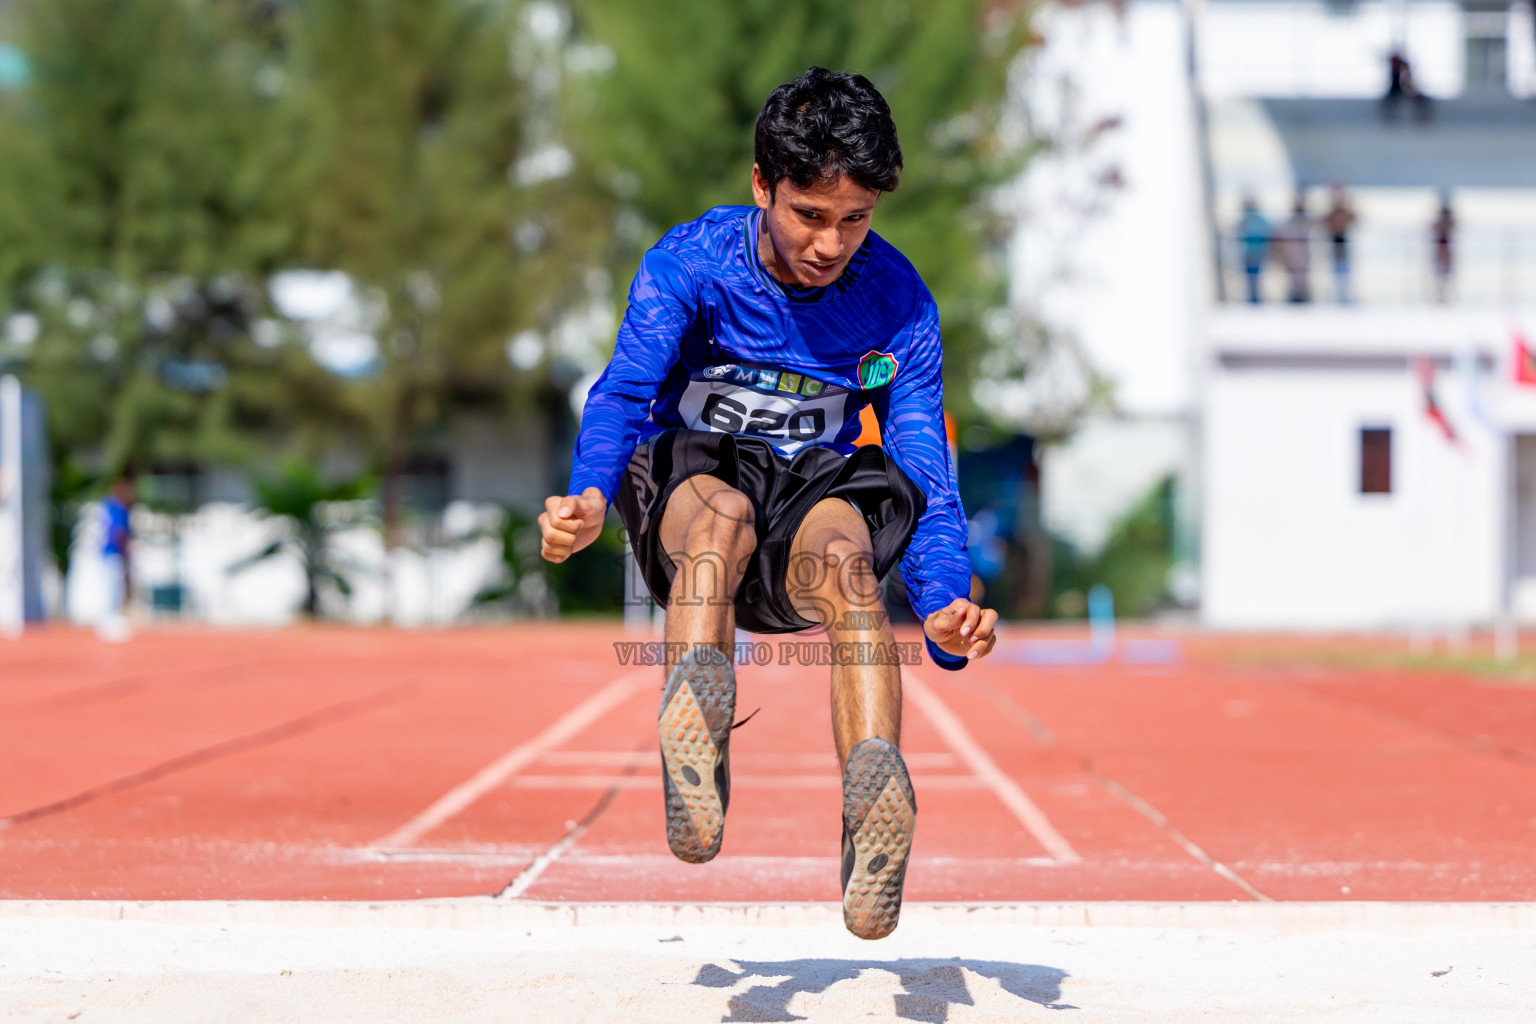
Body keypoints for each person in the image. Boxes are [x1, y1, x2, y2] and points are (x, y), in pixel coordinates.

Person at [537, 67, 997, 940]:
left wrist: (943, 603)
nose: (831, 245)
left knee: (852, 573)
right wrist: (591, 495)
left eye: (855, 220)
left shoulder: (898, 302)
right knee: (722, 523)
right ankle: (699, 756)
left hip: (810, 494)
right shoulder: (691, 263)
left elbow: (924, 465)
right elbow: (624, 391)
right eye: (809, 216)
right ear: (762, 186)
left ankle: (870, 827)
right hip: (699, 481)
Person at [97, 476, 134, 642]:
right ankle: (109, 620)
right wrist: (127, 548)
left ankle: (110, 618)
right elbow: (118, 532)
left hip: (109, 552)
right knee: (113, 586)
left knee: (112, 586)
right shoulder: (117, 508)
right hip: (113, 552)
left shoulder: (108, 506)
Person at [1275, 194, 1313, 304]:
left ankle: (1304, 299)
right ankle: (1295, 298)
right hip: (1292, 256)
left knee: (1304, 280)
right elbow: (1281, 240)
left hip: (1304, 256)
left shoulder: (1308, 222)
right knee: (1293, 280)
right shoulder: (1288, 224)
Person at [1323, 183, 1357, 304]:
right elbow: (1325, 223)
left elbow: (1354, 219)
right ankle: (1336, 296)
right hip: (1333, 246)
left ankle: (1346, 296)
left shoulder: (1346, 211)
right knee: (1335, 273)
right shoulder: (1330, 212)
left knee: (1346, 273)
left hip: (1345, 246)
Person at [1236, 195, 1270, 304]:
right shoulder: (1246, 220)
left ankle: (1255, 298)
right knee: (1252, 278)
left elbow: (1266, 234)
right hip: (1251, 254)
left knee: (1254, 278)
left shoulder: (1251, 220)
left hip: (1255, 253)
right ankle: (1253, 298)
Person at [1431, 192, 1456, 304]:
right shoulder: (1441, 221)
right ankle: (1441, 296)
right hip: (1441, 250)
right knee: (1440, 275)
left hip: (1446, 250)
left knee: (1446, 275)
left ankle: (1444, 297)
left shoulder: (1448, 221)